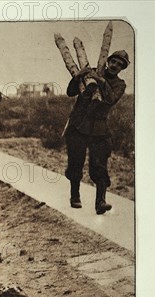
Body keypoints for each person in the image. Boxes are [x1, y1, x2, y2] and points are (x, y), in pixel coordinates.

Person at [64, 50, 129, 214]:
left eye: (120, 65)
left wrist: (101, 81)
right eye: (114, 62)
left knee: (99, 166)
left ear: (122, 69)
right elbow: (71, 92)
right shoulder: (90, 72)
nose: (115, 66)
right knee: (75, 162)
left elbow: (110, 99)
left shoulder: (120, 84)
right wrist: (78, 75)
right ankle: (75, 197)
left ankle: (101, 202)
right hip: (79, 125)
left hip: (99, 129)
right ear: (108, 61)